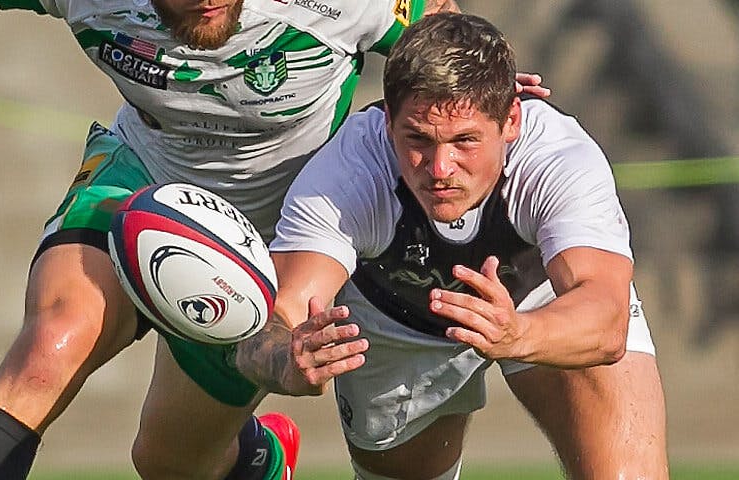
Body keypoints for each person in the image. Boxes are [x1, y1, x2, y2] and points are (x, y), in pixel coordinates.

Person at [0, 0, 550, 479]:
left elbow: (439, 26)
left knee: (167, 463)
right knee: (48, 348)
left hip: (264, 242)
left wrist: (479, 90)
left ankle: (259, 462)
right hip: (142, 177)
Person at [259, 12, 669, 479]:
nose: (439, 168)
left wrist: (519, 334)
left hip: (543, 301)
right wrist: (287, 360)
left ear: (511, 119)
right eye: (418, 139)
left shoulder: (557, 156)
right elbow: (275, 318)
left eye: (465, 140)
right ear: (388, 120)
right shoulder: (347, 174)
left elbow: (606, 316)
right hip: (395, 320)